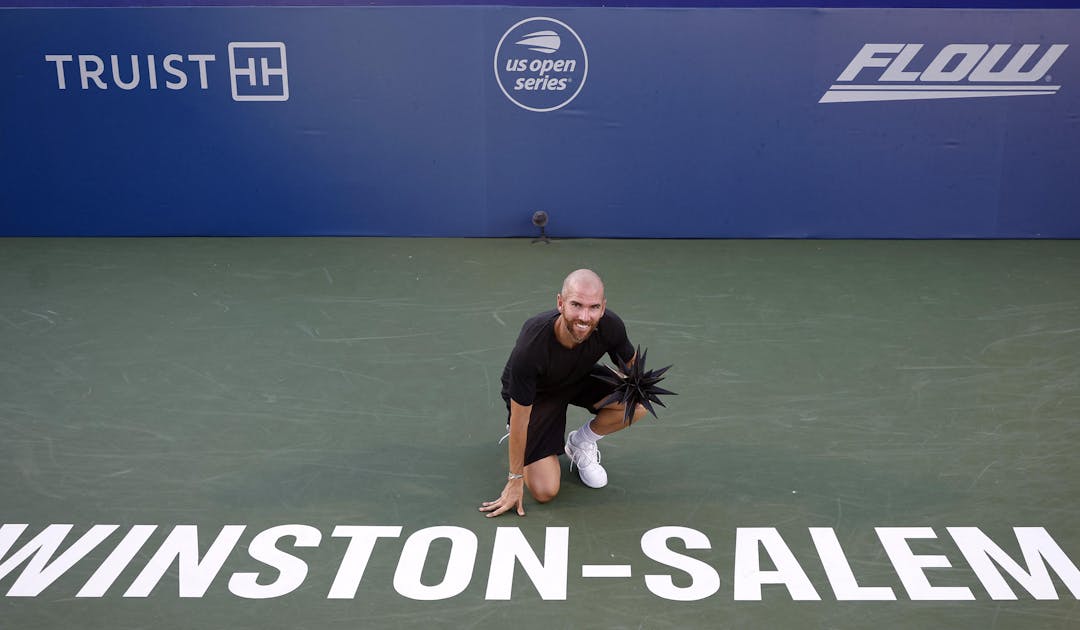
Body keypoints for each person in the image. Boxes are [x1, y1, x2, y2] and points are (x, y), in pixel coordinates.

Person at [479, 269, 646, 518]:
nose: (584, 316)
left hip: (578, 377)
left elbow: (634, 370)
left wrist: (631, 384)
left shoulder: (610, 326)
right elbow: (520, 418)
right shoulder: (532, 346)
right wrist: (515, 480)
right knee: (545, 491)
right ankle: (529, 445)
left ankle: (581, 442)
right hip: (537, 397)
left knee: (637, 402)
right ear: (560, 303)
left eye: (593, 307)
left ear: (603, 308)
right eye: (576, 305)